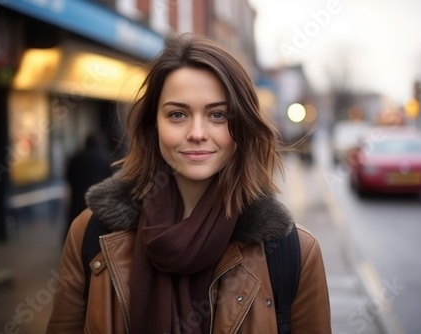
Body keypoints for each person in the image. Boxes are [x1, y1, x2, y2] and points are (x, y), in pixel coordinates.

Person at [47, 33, 331, 334]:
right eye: (178, 114)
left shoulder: (293, 252)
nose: (197, 132)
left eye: (218, 115)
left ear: (243, 128)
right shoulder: (90, 233)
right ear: (153, 125)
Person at [63, 133, 113, 241]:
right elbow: (111, 180)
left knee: (76, 225)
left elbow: (68, 177)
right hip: (98, 200)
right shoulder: (105, 158)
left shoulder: (76, 157)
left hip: (78, 198)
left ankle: (73, 245)